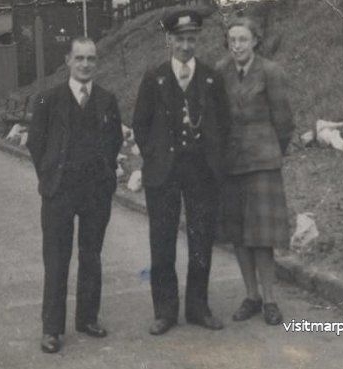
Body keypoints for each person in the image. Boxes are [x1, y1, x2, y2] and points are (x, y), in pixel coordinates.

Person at [132, 9, 230, 335]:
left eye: (191, 39)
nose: (186, 46)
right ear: (169, 40)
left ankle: (198, 307)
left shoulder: (212, 77)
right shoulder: (154, 77)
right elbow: (140, 124)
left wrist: (214, 159)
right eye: (180, 39)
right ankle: (165, 311)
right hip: (164, 173)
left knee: (201, 240)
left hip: (201, 172)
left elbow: (224, 124)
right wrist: (155, 156)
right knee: (162, 242)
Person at [27, 37, 123, 353]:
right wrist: (50, 176)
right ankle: (52, 329)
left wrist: (106, 173)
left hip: (95, 192)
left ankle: (87, 318)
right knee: (56, 259)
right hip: (59, 192)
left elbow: (114, 141)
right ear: (68, 60)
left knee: (91, 256)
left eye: (91, 59)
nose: (85, 64)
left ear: (97, 62)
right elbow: (35, 144)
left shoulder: (107, 100)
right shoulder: (47, 99)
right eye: (79, 58)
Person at [216, 17, 295, 325]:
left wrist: (272, 151)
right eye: (232, 40)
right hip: (232, 163)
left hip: (263, 162)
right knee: (239, 234)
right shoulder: (221, 72)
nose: (237, 45)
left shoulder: (271, 72)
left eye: (243, 40)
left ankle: (271, 300)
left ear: (255, 41)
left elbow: (284, 123)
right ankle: (251, 295)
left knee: (262, 236)